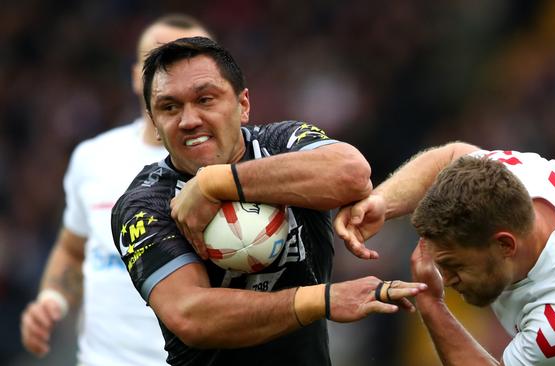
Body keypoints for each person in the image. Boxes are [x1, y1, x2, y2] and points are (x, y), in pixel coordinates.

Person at [109, 36, 427, 365]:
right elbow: (191, 315)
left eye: (205, 99)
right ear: (156, 126)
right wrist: (321, 300)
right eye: (169, 107)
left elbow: (353, 174)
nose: (189, 120)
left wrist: (216, 183)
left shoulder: (282, 143)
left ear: (243, 105)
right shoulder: (145, 205)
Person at [335, 141, 555, 365]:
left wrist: (432, 305)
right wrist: (382, 202)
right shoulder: (517, 177)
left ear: (505, 245)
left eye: (454, 264)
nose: (444, 279)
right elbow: (454, 156)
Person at [20, 14, 212, 365]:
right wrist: (52, 300)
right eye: (159, 59)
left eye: (189, 62)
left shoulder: (234, 163)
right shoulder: (92, 158)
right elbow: (73, 250)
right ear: (136, 76)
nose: (173, 73)